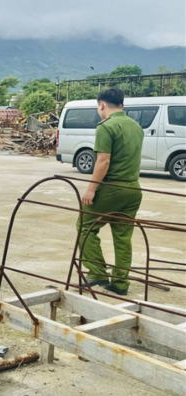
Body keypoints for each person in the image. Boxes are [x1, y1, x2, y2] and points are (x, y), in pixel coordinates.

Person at [78, 88, 143, 296]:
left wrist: (91, 189)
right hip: (133, 189)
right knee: (123, 236)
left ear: (102, 106)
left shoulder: (106, 126)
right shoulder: (136, 126)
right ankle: (120, 283)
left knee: (85, 226)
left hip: (112, 188)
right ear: (122, 105)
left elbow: (103, 161)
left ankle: (97, 271)